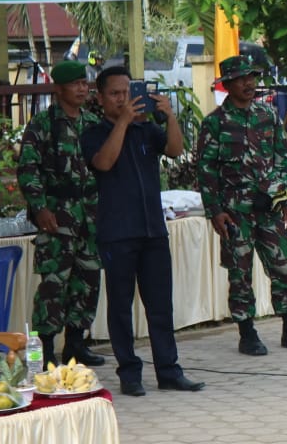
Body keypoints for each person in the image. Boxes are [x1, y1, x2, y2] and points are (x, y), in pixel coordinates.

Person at [80, 66, 204, 396]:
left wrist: (169, 117)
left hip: (153, 231)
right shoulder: (94, 132)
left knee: (161, 305)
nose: (123, 99)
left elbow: (176, 151)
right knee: (121, 308)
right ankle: (130, 374)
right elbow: (103, 163)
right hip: (117, 232)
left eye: (127, 92)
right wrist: (122, 123)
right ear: (101, 98)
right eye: (115, 94)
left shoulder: (147, 130)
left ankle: (169, 370)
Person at [196, 55, 287, 357]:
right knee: (240, 275)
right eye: (241, 78)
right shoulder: (214, 124)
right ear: (228, 84)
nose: (249, 83)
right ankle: (247, 334)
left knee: (284, 267)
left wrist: (286, 198)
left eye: (252, 77)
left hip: (269, 208)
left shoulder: (267, 115)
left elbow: (283, 158)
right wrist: (215, 211)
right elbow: (206, 171)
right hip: (236, 214)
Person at [16, 60, 105, 367]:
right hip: (57, 215)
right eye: (75, 83)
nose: (82, 88)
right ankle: (45, 350)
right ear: (59, 89)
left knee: (88, 279)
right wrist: (39, 208)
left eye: (85, 82)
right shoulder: (43, 124)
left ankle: (76, 344)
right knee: (54, 284)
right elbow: (28, 169)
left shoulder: (93, 122)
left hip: (90, 216)